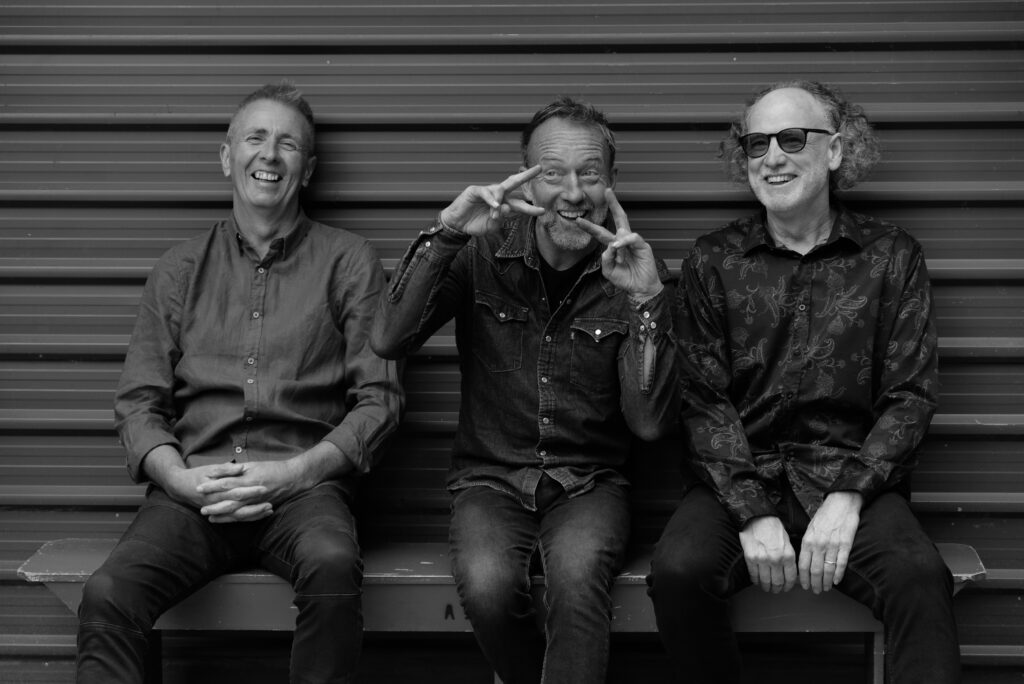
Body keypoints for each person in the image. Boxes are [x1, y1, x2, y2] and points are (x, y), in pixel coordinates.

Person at [76, 82, 403, 684]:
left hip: (304, 493)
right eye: (255, 138)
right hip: (192, 493)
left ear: (307, 170)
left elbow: (378, 403)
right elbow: (139, 403)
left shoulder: (350, 261)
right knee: (108, 595)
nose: (269, 155)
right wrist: (179, 479)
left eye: (288, 144)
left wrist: (294, 473)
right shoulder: (178, 269)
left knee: (333, 566)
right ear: (228, 157)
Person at [647, 80, 960, 683]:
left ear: (835, 150)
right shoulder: (713, 259)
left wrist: (849, 498)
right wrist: (751, 512)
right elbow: (701, 399)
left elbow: (910, 396)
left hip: (852, 478)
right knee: (679, 572)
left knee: (920, 578)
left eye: (792, 139)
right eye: (756, 143)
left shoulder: (893, 256)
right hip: (737, 476)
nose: (772, 157)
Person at [370, 96, 678, 684]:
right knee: (487, 585)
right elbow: (388, 338)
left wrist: (644, 302)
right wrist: (448, 233)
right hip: (490, 477)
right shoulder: (481, 251)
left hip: (589, 483)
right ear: (528, 180)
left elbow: (648, 423)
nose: (572, 192)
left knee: (577, 577)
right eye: (552, 173)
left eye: (590, 173)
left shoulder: (634, 271)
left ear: (611, 181)